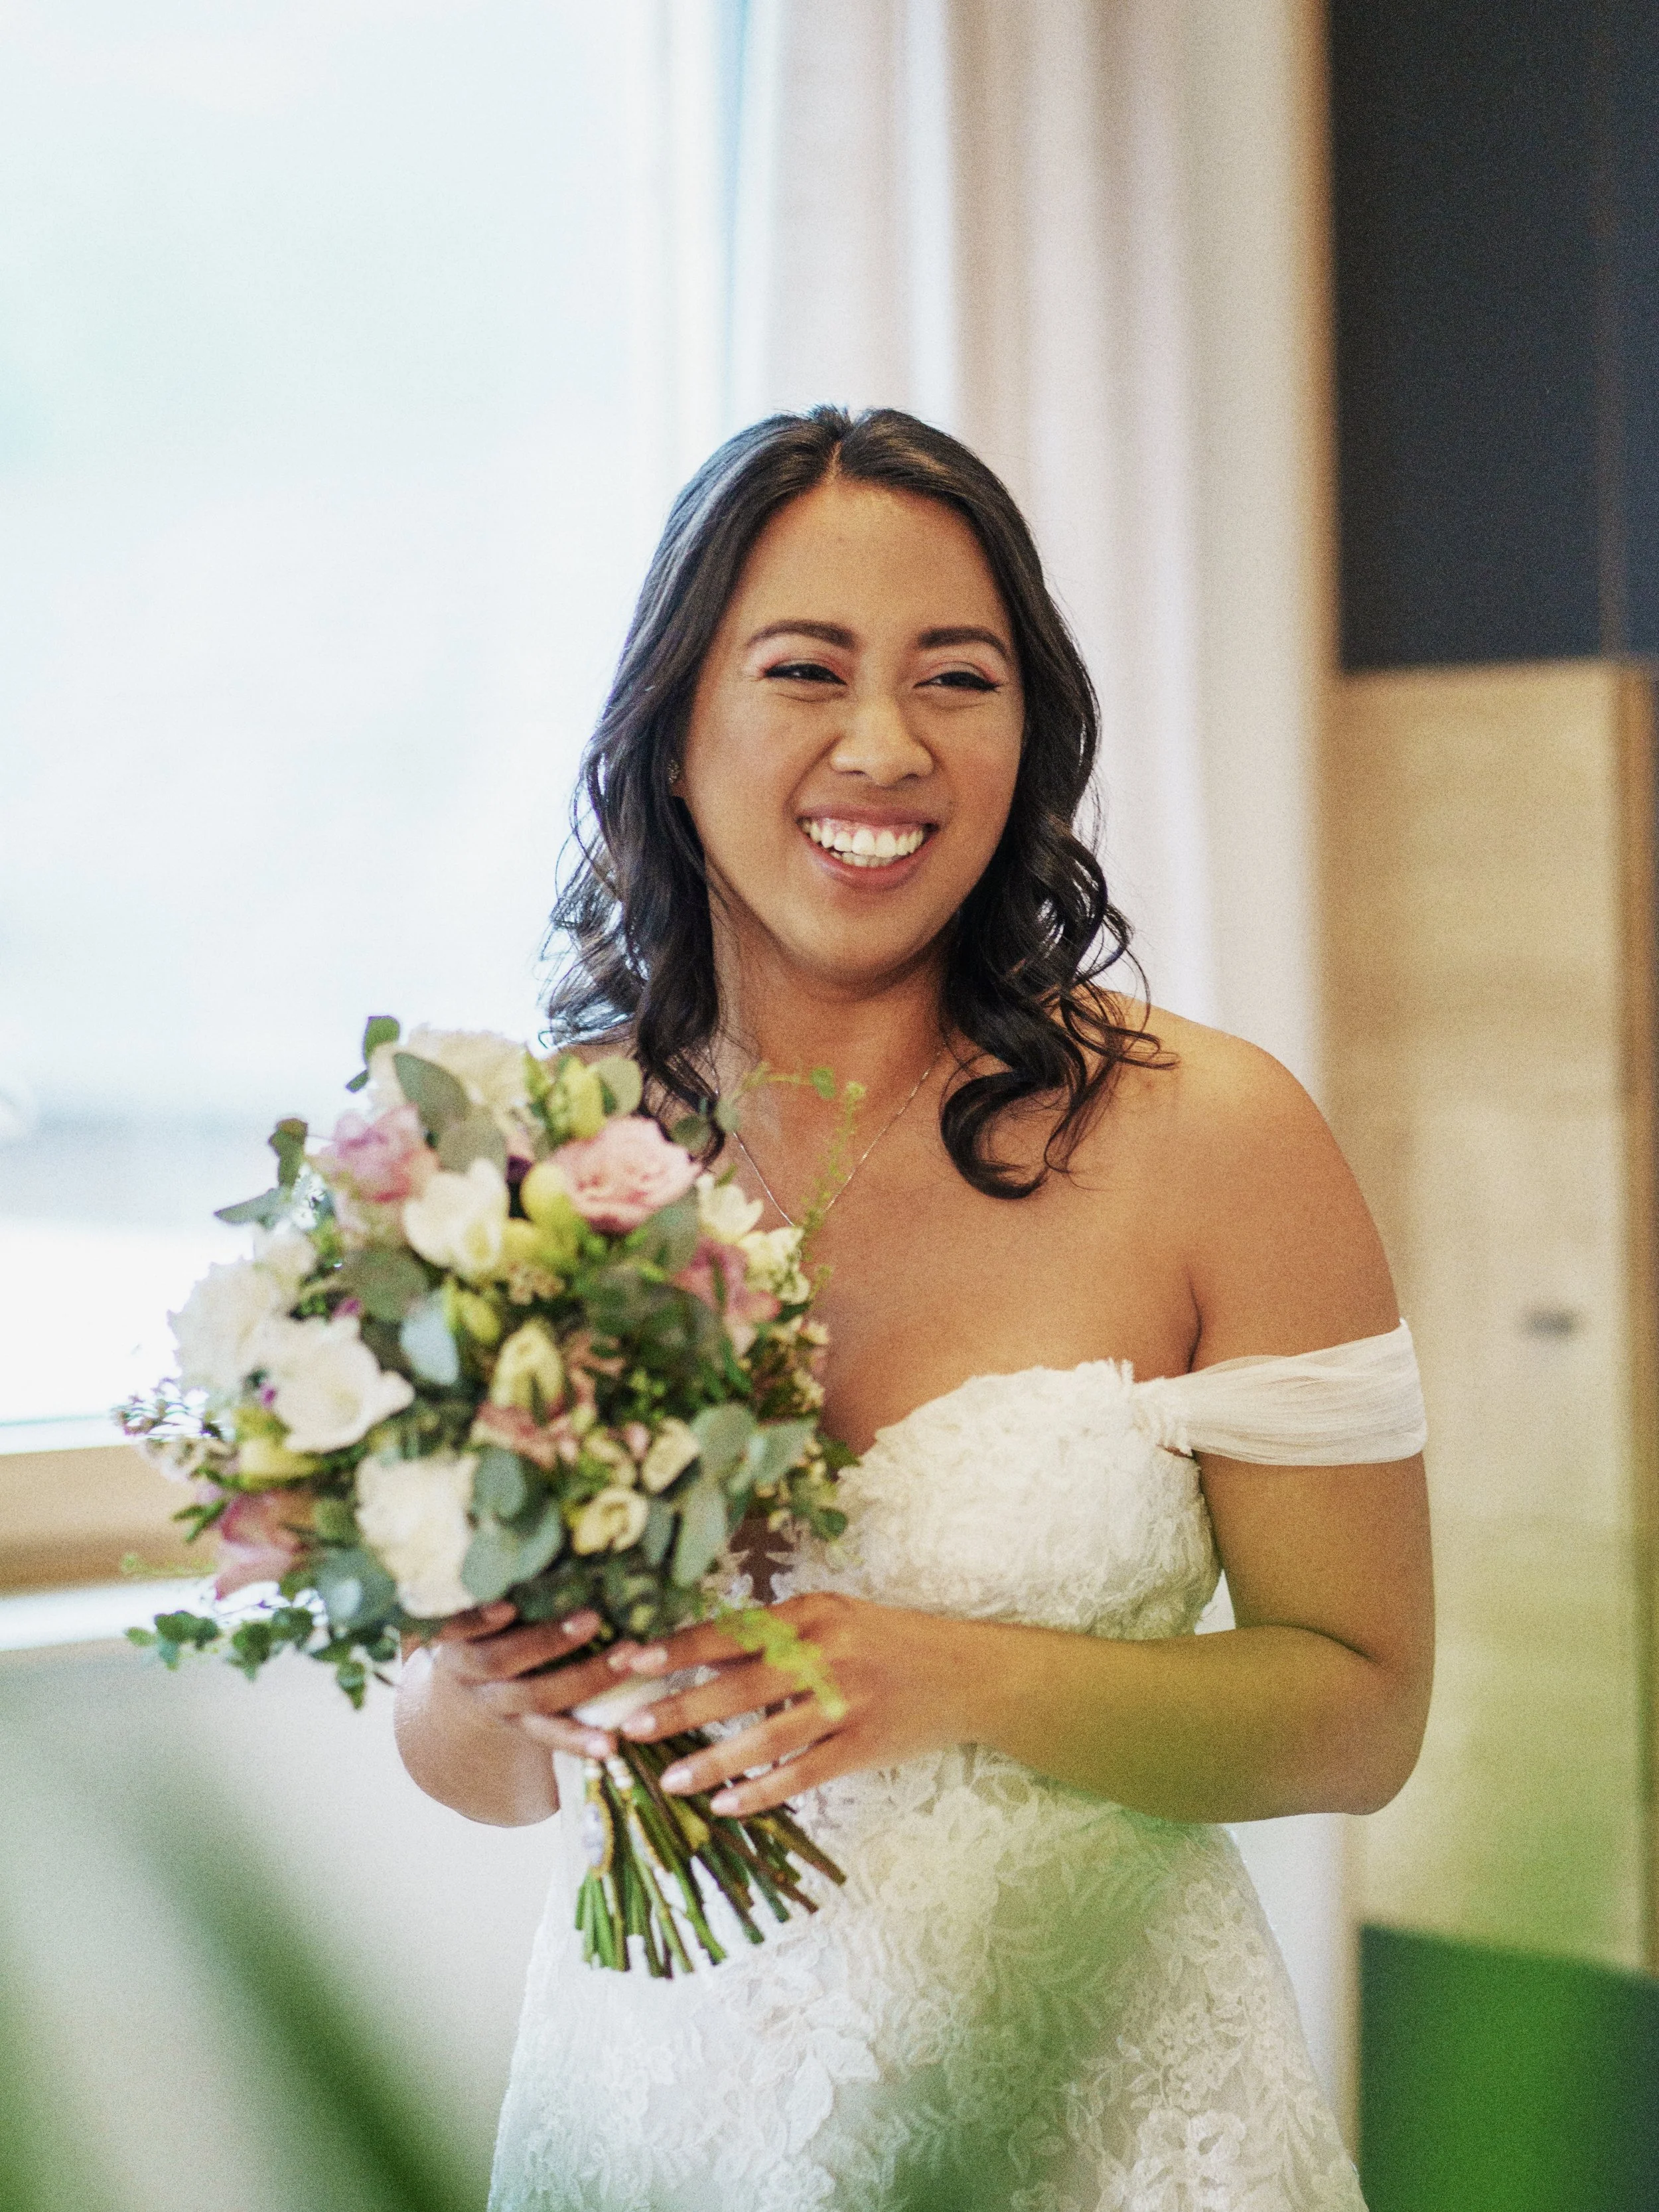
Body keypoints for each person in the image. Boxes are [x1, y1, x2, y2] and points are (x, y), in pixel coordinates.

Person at [394, 406, 1433, 2211]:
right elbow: (466, 1762)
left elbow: (1357, 1712)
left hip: (1103, 2123)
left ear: (1025, 734)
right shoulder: (541, 1160)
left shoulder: (1215, 1134)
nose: (883, 744)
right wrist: (507, 1687)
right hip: (659, 2106)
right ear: (670, 723)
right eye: (805, 669)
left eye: (956, 677)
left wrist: (939, 1674)